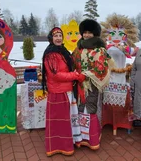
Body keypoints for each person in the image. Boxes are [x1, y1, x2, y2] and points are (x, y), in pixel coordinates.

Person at [42, 27, 85, 156]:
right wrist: (76, 76)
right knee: (60, 122)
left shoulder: (63, 51)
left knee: (67, 120)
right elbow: (56, 75)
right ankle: (60, 146)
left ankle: (69, 142)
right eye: (55, 36)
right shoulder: (51, 54)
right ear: (51, 38)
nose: (58, 38)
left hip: (67, 91)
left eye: (60, 35)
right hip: (58, 92)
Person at [72, 19, 114, 150]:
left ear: (95, 34)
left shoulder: (99, 49)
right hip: (78, 83)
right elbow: (72, 62)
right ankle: (80, 138)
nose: (87, 35)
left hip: (91, 84)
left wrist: (86, 75)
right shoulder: (78, 47)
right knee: (79, 109)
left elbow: (101, 67)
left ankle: (92, 140)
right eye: (85, 32)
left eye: (90, 32)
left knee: (90, 109)